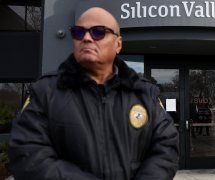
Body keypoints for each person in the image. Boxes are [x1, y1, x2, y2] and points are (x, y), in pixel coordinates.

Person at [8, 7, 179, 180]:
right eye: (78, 32)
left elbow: (166, 147)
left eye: (98, 32)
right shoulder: (45, 92)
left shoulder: (145, 93)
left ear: (118, 44)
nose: (87, 38)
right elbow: (27, 154)